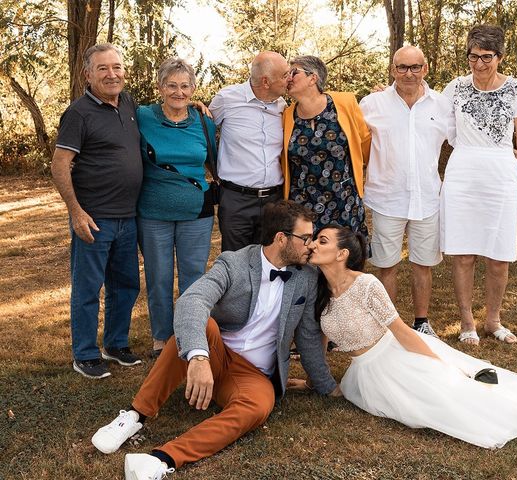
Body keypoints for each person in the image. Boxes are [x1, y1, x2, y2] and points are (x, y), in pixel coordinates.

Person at [91, 201, 339, 480]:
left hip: (254, 376)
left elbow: (306, 338)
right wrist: (198, 357)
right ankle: (135, 416)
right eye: (305, 238)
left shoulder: (306, 277)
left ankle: (161, 459)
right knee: (202, 325)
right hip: (216, 353)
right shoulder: (234, 263)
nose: (311, 245)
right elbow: (192, 300)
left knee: (259, 407)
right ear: (281, 238)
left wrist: (327, 386)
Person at [292, 225, 517, 449]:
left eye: (322, 240)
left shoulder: (367, 285)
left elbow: (402, 330)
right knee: (415, 413)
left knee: (447, 394)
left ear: (342, 254)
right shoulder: (319, 293)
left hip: (397, 355)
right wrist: (315, 381)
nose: (313, 244)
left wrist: (438, 363)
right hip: (364, 375)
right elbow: (320, 343)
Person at [51, 43, 142, 379]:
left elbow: (166, 110)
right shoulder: (78, 113)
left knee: (126, 285)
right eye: (102, 68)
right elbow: (60, 165)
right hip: (95, 217)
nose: (111, 74)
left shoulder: (129, 103)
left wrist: (191, 102)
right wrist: (76, 211)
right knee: (89, 288)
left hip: (128, 217)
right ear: (87, 74)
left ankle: (116, 345)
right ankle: (85, 354)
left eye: (116, 67)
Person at [440, 25, 517, 345]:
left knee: (499, 255)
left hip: (502, 176)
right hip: (462, 173)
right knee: (463, 254)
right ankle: (467, 323)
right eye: (473, 56)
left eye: (486, 57)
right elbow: (436, 122)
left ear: (500, 57)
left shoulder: (516, 88)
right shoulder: (454, 87)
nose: (479, 64)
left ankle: (493, 320)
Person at [359, 46, 455, 337]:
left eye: (415, 67)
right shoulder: (372, 104)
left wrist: (501, 151)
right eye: (402, 67)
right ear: (392, 69)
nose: (409, 73)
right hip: (387, 197)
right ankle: (389, 326)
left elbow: (464, 139)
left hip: (428, 198)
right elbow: (351, 139)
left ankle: (421, 322)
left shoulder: (441, 105)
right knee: (386, 265)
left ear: (425, 69)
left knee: (422, 264)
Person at [136, 57, 218, 356]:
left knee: (194, 277)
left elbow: (213, 160)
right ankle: (161, 337)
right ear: (160, 87)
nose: (179, 92)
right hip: (152, 212)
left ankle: (188, 335)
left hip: (196, 212)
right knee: (158, 277)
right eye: (172, 85)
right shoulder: (142, 115)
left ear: (193, 89)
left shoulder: (204, 121)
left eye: (185, 86)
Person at [281, 55, 371, 240]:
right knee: (305, 260)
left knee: (343, 259)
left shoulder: (345, 103)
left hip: (343, 200)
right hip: (302, 205)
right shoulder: (286, 114)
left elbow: (365, 143)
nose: (288, 77)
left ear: (313, 78)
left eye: (294, 72)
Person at [208, 51, 290, 252]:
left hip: (274, 200)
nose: (290, 79)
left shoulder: (283, 106)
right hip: (236, 200)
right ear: (266, 81)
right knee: (235, 263)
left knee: (271, 260)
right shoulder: (226, 99)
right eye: (285, 75)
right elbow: (203, 132)